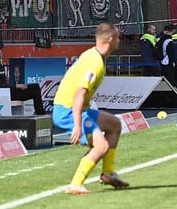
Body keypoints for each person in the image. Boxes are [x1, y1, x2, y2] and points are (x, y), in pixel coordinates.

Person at [53, 22, 130, 195]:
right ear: (110, 39)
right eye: (118, 37)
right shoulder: (94, 63)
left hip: (78, 109)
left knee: (114, 125)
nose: (120, 40)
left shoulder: (94, 56)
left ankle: (108, 173)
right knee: (101, 146)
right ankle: (75, 184)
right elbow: (79, 93)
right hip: (68, 110)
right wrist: (78, 125)